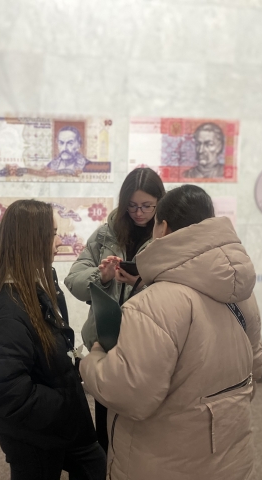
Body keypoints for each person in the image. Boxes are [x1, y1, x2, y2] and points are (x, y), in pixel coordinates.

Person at [79, 185, 262, 480]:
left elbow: (128, 394)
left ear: (162, 228)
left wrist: (93, 358)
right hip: (230, 455)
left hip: (165, 461)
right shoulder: (242, 294)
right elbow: (254, 369)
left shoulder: (153, 304)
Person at [0, 199, 105, 480]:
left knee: (94, 464)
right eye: (53, 234)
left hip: (55, 420)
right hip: (35, 432)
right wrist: (65, 402)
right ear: (32, 240)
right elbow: (7, 394)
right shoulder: (10, 308)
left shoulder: (37, 284)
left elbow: (51, 346)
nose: (59, 241)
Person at [64, 167, 165, 453]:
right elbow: (73, 279)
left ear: (160, 202)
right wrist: (102, 277)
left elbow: (178, 290)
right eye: (132, 205)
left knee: (140, 421)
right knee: (105, 422)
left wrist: (140, 283)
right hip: (105, 341)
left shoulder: (168, 238)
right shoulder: (106, 234)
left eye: (147, 206)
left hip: (147, 341)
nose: (138, 213)